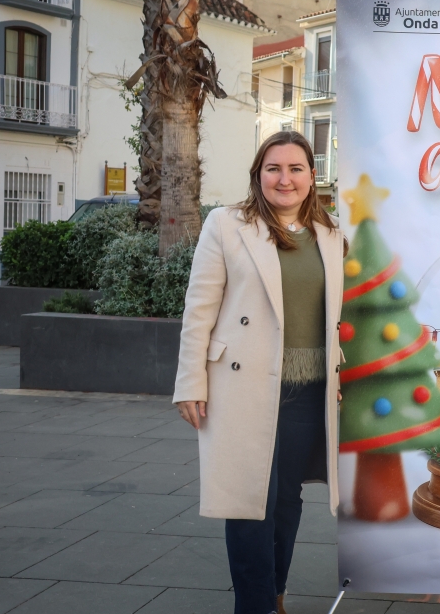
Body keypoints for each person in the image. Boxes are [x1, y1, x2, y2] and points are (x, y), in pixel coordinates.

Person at [173, 131, 345, 614]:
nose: (284, 178)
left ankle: (277, 594)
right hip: (241, 384)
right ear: (258, 175)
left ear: (313, 176)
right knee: (250, 504)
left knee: (287, 502)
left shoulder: (331, 233)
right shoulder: (227, 225)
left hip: (310, 389)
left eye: (295, 169)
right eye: (274, 168)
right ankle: (254, 606)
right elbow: (199, 310)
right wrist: (190, 383)